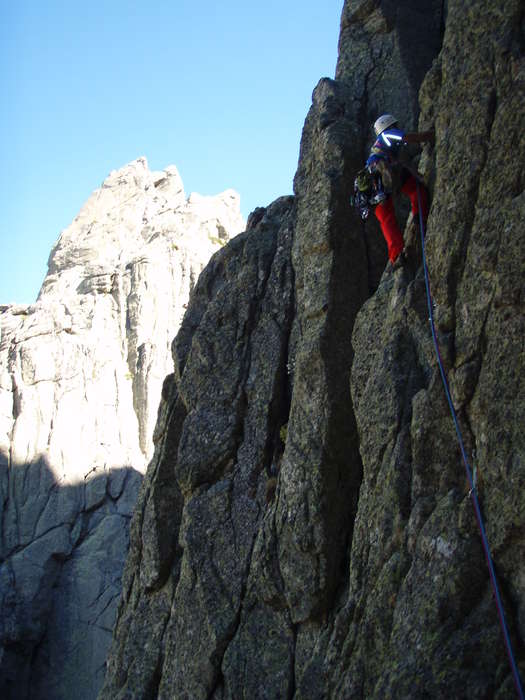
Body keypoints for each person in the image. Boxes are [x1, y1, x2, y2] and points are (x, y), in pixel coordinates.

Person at [364, 114, 434, 264]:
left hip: (380, 179)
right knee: (415, 191)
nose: (397, 128)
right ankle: (419, 217)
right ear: (389, 126)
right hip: (382, 173)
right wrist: (430, 135)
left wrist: (419, 177)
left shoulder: (388, 147)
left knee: (386, 217)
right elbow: (408, 138)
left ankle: (397, 254)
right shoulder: (387, 135)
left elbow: (404, 163)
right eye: (395, 125)